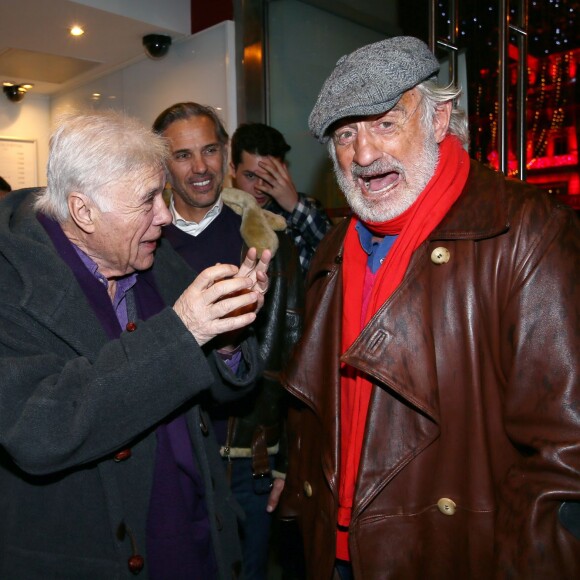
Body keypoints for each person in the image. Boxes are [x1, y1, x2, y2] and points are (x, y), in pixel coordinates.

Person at [279, 36, 580, 579]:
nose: (364, 155)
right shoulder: (331, 249)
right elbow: (314, 408)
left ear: (440, 119)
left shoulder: (525, 230)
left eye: (386, 123)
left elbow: (565, 454)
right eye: (346, 134)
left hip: (456, 553)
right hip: (336, 551)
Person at [0, 110, 272, 579]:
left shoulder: (150, 254)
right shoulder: (11, 281)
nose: (165, 217)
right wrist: (184, 330)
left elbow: (219, 393)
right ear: (83, 211)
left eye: (163, 195)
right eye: (147, 201)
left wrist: (226, 337)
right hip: (90, 555)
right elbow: (39, 433)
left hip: (196, 536)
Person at [152, 103, 304, 580]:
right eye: (182, 155)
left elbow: (297, 353)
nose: (200, 167)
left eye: (210, 150)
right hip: (166, 456)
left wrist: (290, 463)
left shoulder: (265, 241)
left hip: (247, 461)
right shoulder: (141, 245)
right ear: (162, 165)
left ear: (226, 153)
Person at [230, 122, 333, 274]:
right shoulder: (223, 212)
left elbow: (338, 255)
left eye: (269, 176)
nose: (260, 187)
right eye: (250, 176)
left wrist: (295, 205)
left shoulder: (306, 209)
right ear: (233, 170)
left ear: (283, 171)